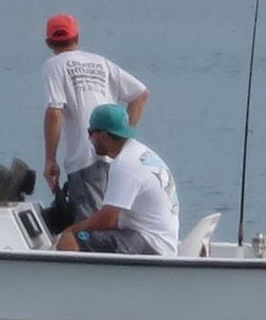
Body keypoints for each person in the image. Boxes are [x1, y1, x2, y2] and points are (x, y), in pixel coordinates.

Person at [39, 11, 148, 234]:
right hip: (115, 157)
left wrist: (50, 159)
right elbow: (141, 94)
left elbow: (55, 111)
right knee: (110, 219)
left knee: (90, 228)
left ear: (49, 42)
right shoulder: (101, 63)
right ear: (77, 38)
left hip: (85, 159)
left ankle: (90, 264)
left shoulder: (54, 65)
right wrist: (123, 137)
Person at [54, 108, 178, 255]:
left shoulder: (125, 164)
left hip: (150, 243)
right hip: (160, 240)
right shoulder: (140, 153)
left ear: (104, 135)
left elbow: (107, 220)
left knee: (69, 240)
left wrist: (70, 230)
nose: (89, 139)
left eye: (90, 132)